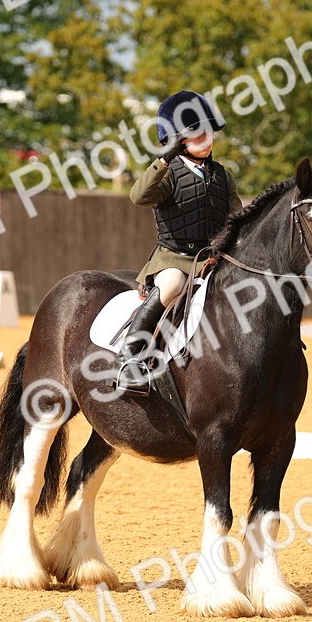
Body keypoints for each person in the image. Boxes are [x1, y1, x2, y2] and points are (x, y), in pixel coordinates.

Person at [116, 90, 243, 396]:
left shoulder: (222, 175)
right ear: (177, 140)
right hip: (175, 258)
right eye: (198, 135)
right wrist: (163, 159)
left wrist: (224, 252)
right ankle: (130, 360)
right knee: (171, 286)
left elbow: (236, 217)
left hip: (213, 258)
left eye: (209, 133)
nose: (207, 140)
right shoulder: (168, 174)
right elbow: (138, 197)